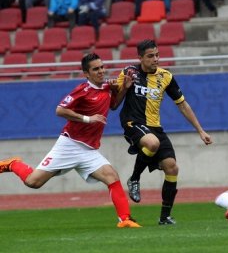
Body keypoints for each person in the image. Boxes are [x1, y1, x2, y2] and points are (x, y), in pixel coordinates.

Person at [0, 53, 141, 229]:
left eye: (102, 67)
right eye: (95, 69)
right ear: (86, 74)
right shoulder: (82, 90)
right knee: (33, 182)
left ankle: (125, 219)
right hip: (69, 144)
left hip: (88, 150)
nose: (101, 71)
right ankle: (13, 164)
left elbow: (112, 106)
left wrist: (124, 89)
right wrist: (88, 119)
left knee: (111, 176)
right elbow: (60, 110)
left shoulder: (106, 87)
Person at [112, 39, 213, 225]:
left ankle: (165, 217)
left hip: (155, 127)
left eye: (157, 55)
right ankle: (134, 178)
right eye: (150, 56)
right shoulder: (129, 72)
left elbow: (182, 105)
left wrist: (200, 131)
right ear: (140, 57)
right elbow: (113, 105)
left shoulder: (166, 76)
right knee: (152, 143)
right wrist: (124, 88)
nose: (155, 59)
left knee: (172, 167)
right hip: (132, 122)